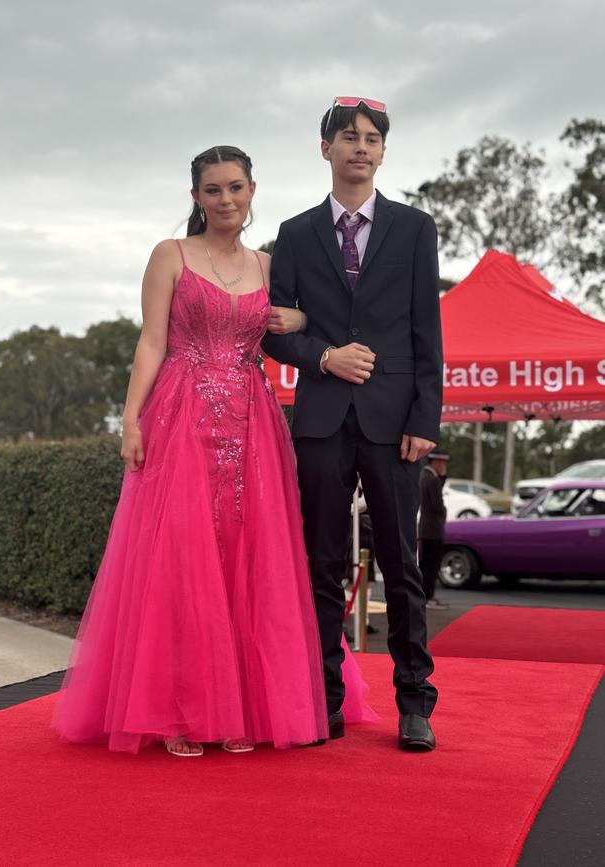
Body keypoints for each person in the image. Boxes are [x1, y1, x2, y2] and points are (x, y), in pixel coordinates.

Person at [53, 145, 372, 757]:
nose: (225, 200)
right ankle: (179, 710)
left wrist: (294, 321)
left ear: (253, 190)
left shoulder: (267, 262)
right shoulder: (169, 256)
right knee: (180, 563)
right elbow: (151, 341)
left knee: (251, 560)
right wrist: (130, 419)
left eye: (235, 188)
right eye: (212, 190)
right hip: (181, 415)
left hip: (254, 424)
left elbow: (310, 318)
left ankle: (241, 709)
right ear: (195, 197)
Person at [262, 97, 443, 751]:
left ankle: (415, 703)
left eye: (372, 139)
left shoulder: (416, 229)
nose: (360, 147)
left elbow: (428, 331)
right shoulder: (296, 232)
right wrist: (325, 357)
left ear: (383, 152)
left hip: (395, 423)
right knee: (320, 564)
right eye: (348, 137)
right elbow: (275, 331)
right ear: (325, 149)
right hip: (318, 420)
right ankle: (323, 701)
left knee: (403, 565)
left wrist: (427, 417)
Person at [419, 449, 450, 609]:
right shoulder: (432, 480)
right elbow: (438, 505)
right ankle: (428, 596)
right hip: (433, 529)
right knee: (432, 566)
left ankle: (424, 595)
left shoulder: (425, 476)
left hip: (425, 528)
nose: (444, 466)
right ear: (436, 462)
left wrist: (442, 477)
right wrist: (444, 514)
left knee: (426, 565)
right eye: (443, 463)